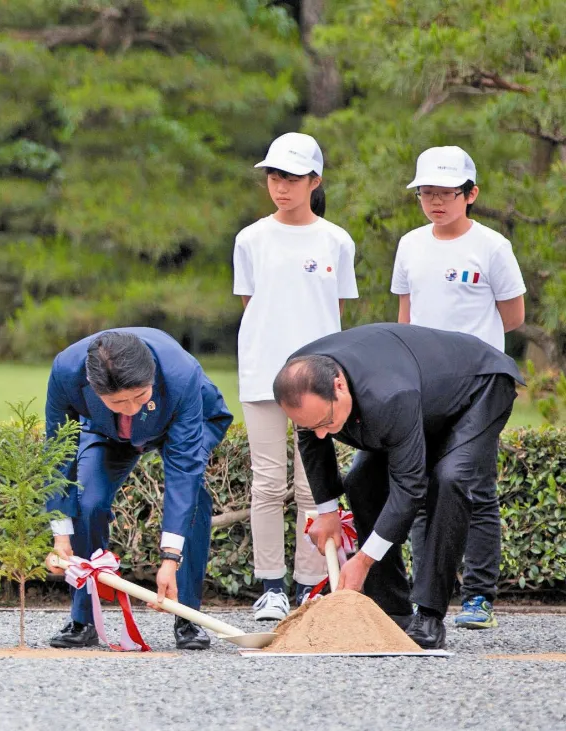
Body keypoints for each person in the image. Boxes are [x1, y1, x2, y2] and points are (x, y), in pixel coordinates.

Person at [273, 323, 521, 649]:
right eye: (312, 425)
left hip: (479, 387)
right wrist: (328, 512)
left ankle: (430, 616)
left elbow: (410, 488)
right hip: (421, 395)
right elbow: (311, 440)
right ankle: (392, 611)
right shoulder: (300, 380)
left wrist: (363, 560)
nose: (322, 433)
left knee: (449, 480)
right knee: (361, 481)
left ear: (339, 386)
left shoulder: (389, 396)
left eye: (326, 422)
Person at [392, 146, 526, 630]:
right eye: (426, 192)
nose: (435, 201)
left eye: (446, 193)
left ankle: (479, 595)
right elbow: (405, 317)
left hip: (480, 385)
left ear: (471, 194)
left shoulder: (492, 246)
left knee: (473, 485)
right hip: (424, 383)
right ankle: (427, 596)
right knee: (422, 487)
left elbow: (513, 315)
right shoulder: (410, 244)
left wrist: (471, 354)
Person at [42, 328, 233, 650]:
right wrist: (61, 536)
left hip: (184, 421)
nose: (131, 408)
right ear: (93, 387)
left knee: (194, 499)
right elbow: (58, 452)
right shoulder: (66, 370)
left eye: (140, 396)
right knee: (88, 502)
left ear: (152, 376)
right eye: (118, 401)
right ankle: (83, 618)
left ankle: (188, 616)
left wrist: (169, 559)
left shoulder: (181, 373)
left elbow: (183, 472)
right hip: (106, 431)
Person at [234, 132, 358, 620]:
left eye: (291, 177)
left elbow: (335, 311)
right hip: (262, 373)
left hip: (319, 382)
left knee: (314, 486)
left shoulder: (336, 240)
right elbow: (253, 307)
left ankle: (310, 586)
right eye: (274, 177)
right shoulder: (250, 239)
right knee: (267, 482)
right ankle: (271, 587)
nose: (281, 187)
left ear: (314, 181)